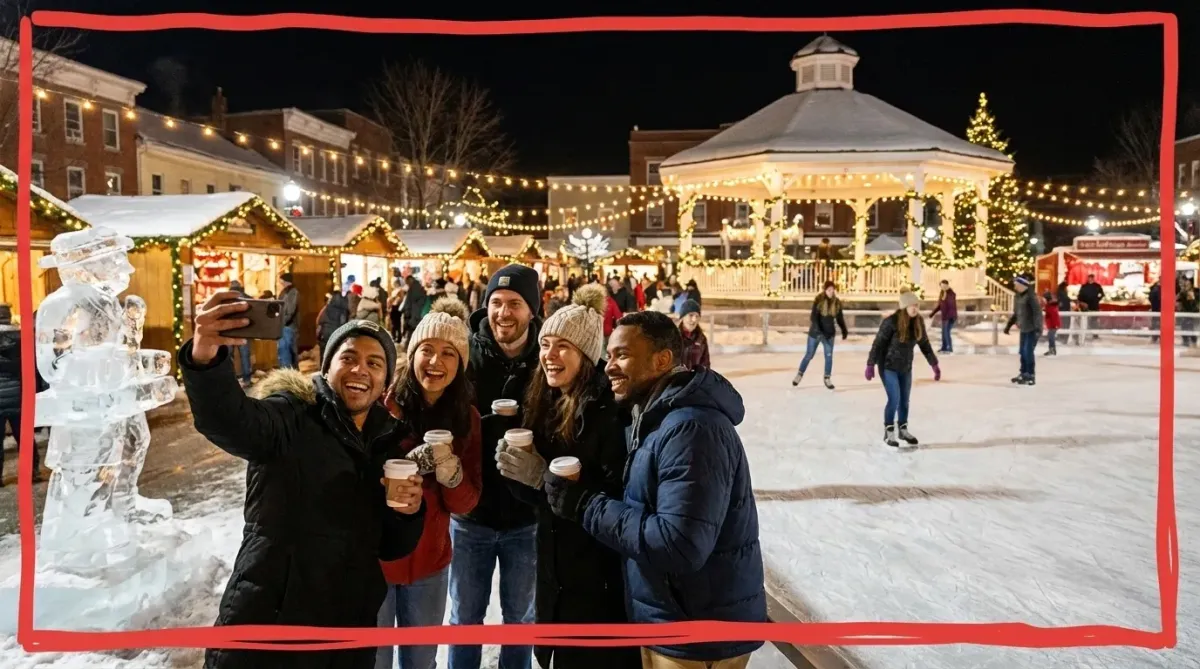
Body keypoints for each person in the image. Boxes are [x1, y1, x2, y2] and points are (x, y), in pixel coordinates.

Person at [179, 297, 426, 669]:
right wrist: (205, 357)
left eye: (374, 363)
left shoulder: (387, 443)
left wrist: (408, 513)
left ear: (385, 381)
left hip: (347, 633)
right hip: (271, 625)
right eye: (348, 358)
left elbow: (390, 548)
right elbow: (229, 419)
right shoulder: (290, 416)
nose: (360, 369)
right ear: (326, 368)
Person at [548, 311, 766, 669]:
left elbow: (679, 545)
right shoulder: (657, 417)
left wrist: (585, 505)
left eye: (622, 355)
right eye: (609, 354)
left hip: (698, 633)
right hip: (674, 619)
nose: (609, 366)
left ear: (662, 360)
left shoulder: (692, 429)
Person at [494, 284, 640, 669]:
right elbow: (539, 499)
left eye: (563, 347)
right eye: (545, 344)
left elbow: (618, 495)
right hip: (555, 571)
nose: (549, 355)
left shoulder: (609, 412)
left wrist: (545, 478)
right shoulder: (545, 401)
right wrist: (517, 473)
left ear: (587, 355)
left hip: (598, 580)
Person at [376, 299, 482, 669]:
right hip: (377, 560)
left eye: (448, 353)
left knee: (421, 661)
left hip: (429, 563)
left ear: (460, 363)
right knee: (374, 660)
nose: (435, 362)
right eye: (428, 350)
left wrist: (449, 471)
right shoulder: (382, 405)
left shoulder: (466, 418)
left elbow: (466, 502)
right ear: (413, 353)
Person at [453, 264, 543, 669]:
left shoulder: (548, 360)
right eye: (496, 302)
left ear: (532, 311)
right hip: (471, 516)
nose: (504, 312)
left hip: (526, 520)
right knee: (464, 620)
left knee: (520, 620)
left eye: (515, 304)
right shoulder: (464, 356)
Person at [866, 288, 940, 449]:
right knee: (895, 399)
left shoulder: (918, 322)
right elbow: (878, 344)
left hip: (905, 367)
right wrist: (870, 364)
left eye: (917, 305)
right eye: (912, 305)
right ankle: (889, 431)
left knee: (904, 401)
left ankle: (903, 429)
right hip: (887, 366)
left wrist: (934, 364)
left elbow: (924, 344)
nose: (915, 308)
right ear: (904, 306)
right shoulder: (891, 322)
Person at [0, 304, 41, 486]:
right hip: (19, 394)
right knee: (24, 437)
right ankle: (31, 472)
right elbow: (32, 366)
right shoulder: (23, 337)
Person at [793, 281, 847, 389]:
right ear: (825, 290)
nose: (831, 292)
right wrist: (819, 330)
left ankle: (827, 378)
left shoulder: (836, 302)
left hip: (829, 334)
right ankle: (799, 374)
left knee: (829, 356)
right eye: (829, 290)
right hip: (815, 333)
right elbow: (813, 317)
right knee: (809, 355)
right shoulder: (819, 300)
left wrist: (844, 329)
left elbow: (839, 317)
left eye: (832, 290)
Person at [1004, 276, 1044, 385]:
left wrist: (1038, 328)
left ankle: (1030, 375)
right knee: (1022, 352)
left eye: (1016, 284)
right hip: (1024, 328)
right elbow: (1016, 313)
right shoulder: (1018, 297)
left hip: (1032, 329)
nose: (1014, 286)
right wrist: (1008, 325)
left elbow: (1037, 313)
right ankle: (1023, 373)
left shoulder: (1031, 297)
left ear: (1022, 285)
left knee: (1028, 352)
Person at [228, 279, 254, 385]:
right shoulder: (248, 298)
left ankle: (230, 379)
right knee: (245, 355)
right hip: (244, 331)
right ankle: (247, 379)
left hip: (229, 331)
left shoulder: (226, 299)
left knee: (229, 356)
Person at [316, 289, 351, 362]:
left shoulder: (328, 307)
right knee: (336, 355)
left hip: (325, 333)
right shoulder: (344, 309)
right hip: (337, 334)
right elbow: (344, 323)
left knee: (324, 355)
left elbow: (318, 320)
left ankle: (323, 371)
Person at [677, 299, 710, 372]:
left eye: (697, 316)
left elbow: (705, 365)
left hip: (695, 382)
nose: (694, 319)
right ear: (682, 317)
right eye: (691, 315)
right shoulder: (673, 337)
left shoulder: (701, 339)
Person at [277, 272, 300, 370]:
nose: (280, 282)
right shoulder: (285, 291)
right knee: (286, 351)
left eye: (281, 280)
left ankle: (290, 373)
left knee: (288, 351)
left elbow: (290, 310)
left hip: (289, 326)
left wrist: (282, 321)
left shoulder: (292, 292)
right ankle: (290, 372)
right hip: (285, 325)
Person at [929, 279, 958, 353]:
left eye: (945, 286)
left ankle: (949, 348)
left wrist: (945, 298)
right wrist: (933, 313)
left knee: (946, 332)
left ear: (948, 285)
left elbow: (951, 305)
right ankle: (944, 347)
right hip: (944, 316)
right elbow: (940, 305)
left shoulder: (951, 293)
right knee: (943, 332)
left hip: (950, 316)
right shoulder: (942, 293)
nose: (943, 287)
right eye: (942, 286)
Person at [403, 274, 428, 343]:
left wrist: (407, 313)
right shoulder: (420, 287)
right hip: (419, 314)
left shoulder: (412, 288)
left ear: (410, 280)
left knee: (412, 332)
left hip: (414, 314)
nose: (407, 284)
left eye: (407, 282)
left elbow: (409, 302)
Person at [1043, 291, 1061, 356]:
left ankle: (1052, 350)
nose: (1043, 300)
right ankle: (1052, 349)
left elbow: (1054, 316)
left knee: (1051, 337)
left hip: (1053, 325)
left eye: (1044, 298)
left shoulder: (1051, 306)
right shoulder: (1049, 305)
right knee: (1050, 336)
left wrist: (1055, 325)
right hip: (1051, 324)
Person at [1148, 280, 1162, 344]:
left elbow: (1150, 298)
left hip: (1155, 309)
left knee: (1155, 323)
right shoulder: (1158, 289)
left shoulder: (1154, 288)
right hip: (1159, 309)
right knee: (1158, 323)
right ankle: (1157, 337)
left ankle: (1154, 338)